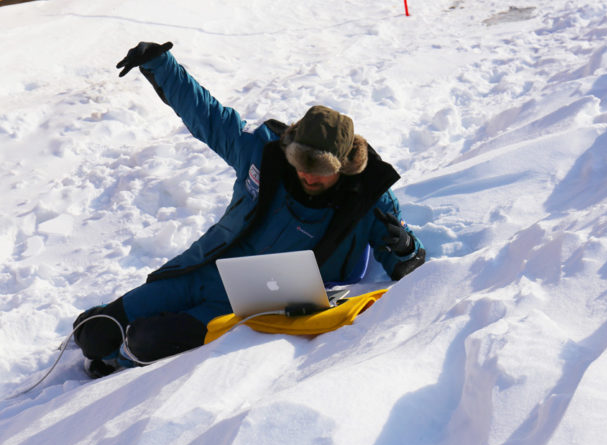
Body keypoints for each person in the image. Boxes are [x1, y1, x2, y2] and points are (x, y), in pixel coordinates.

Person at [73, 41, 426, 377]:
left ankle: (120, 361)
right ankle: (101, 333)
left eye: (318, 171)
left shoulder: (367, 200)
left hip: (248, 304)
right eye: (300, 163)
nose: (306, 175)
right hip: (204, 272)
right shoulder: (264, 155)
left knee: (146, 340)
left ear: (343, 167)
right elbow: (209, 117)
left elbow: (407, 264)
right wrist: (160, 64)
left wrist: (405, 248)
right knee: (95, 334)